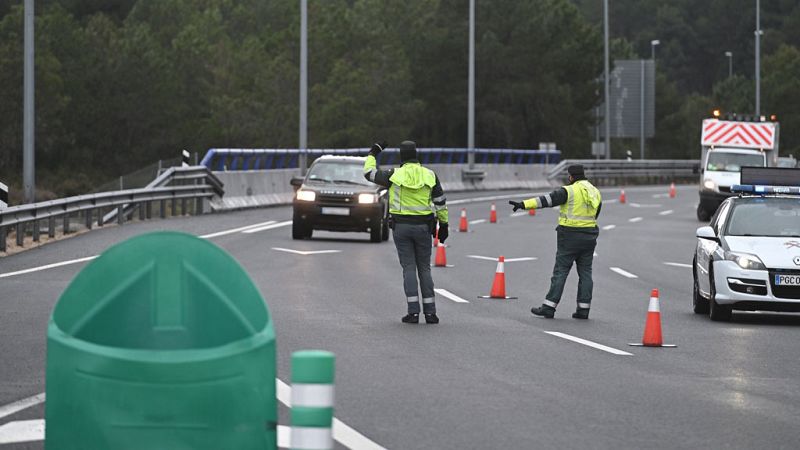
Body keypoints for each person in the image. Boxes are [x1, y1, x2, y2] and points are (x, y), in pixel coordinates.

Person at [363, 140, 449, 324]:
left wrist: (373, 153)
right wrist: (444, 225)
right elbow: (440, 201)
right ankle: (431, 313)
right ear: (416, 155)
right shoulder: (430, 175)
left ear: (401, 156)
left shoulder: (393, 174)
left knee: (409, 268)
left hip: (401, 228)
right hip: (424, 228)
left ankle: (413, 312)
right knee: (424, 268)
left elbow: (368, 174)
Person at [509, 164, 602, 319]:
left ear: (571, 176)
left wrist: (523, 204)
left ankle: (549, 307)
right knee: (586, 272)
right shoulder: (594, 191)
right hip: (590, 236)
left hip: (569, 236)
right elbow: (596, 213)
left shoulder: (569, 190)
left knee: (561, 271)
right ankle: (583, 309)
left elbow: (547, 200)